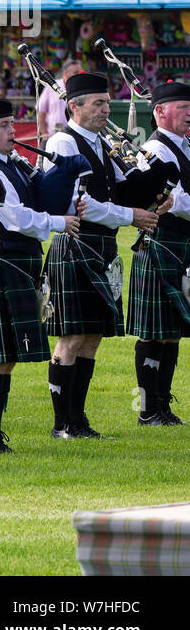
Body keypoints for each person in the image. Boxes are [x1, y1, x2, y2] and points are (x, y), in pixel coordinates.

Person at [43, 72, 163, 439]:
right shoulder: (64, 143)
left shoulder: (99, 143)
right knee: (72, 336)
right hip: (76, 245)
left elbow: (120, 190)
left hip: (102, 248)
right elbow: (78, 204)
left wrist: (151, 184)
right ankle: (62, 423)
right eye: (98, 103)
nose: (105, 109)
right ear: (73, 106)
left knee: (93, 335)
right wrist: (132, 216)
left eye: (107, 102)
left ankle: (78, 420)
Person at [0, 99, 80, 453]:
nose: (13, 130)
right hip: (2, 262)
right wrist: (60, 222)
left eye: (13, 123)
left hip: (19, 260)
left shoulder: (10, 163)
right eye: (4, 125)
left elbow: (39, 199)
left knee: (8, 355)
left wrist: (66, 194)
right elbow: (15, 217)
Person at [126, 82, 190, 426]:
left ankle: (162, 406)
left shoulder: (186, 146)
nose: (189, 113)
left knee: (172, 330)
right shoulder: (155, 149)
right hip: (161, 242)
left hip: (182, 245)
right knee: (153, 330)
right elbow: (172, 202)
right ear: (160, 112)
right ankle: (147, 409)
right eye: (182, 107)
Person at [37, 59, 81, 142]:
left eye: (80, 72)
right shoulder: (51, 87)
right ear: (65, 73)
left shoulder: (80, 88)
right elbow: (41, 112)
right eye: (75, 73)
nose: (79, 75)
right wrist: (44, 135)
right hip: (52, 137)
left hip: (75, 137)